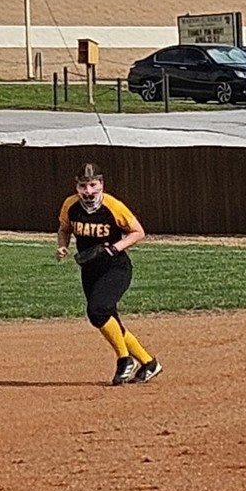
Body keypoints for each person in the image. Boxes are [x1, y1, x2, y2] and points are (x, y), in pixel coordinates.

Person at [56, 163, 162, 386]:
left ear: (101, 184)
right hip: (90, 270)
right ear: (77, 186)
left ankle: (125, 360)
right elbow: (64, 229)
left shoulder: (113, 206)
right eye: (83, 186)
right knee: (107, 319)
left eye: (93, 184)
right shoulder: (71, 205)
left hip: (115, 268)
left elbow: (138, 232)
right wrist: (62, 246)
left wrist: (115, 247)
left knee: (97, 311)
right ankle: (149, 363)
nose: (88, 191)